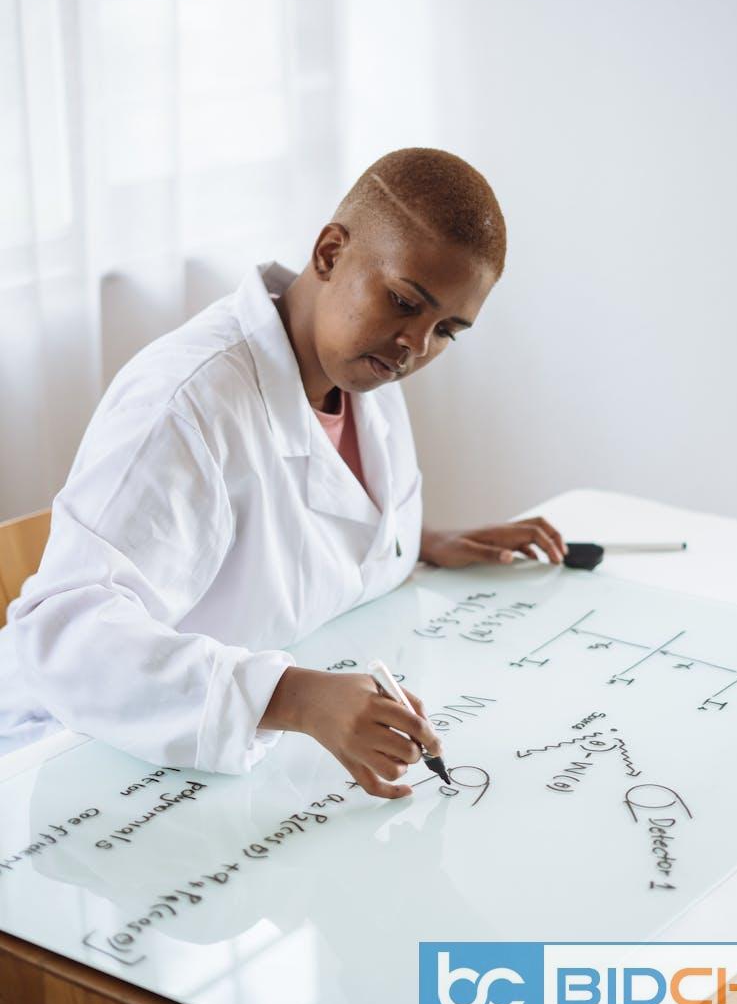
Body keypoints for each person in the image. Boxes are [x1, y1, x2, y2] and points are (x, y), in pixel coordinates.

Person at [0, 147, 567, 798]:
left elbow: (305, 531)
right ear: (329, 253)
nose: (417, 346)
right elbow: (63, 640)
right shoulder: (186, 402)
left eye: (449, 330)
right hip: (69, 757)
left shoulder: (365, 369)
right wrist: (294, 698)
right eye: (405, 302)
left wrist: (413, 542)